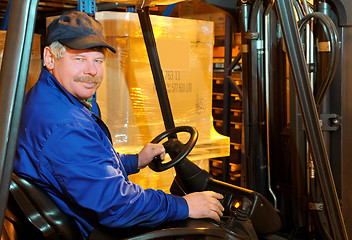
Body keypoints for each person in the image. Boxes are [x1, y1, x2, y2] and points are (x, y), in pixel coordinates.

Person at [13, 11, 224, 239]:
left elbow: (90, 164)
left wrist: (135, 160)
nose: (92, 71)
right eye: (79, 59)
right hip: (94, 229)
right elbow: (117, 205)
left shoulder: (51, 97)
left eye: (98, 60)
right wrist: (184, 205)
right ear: (50, 58)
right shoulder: (66, 126)